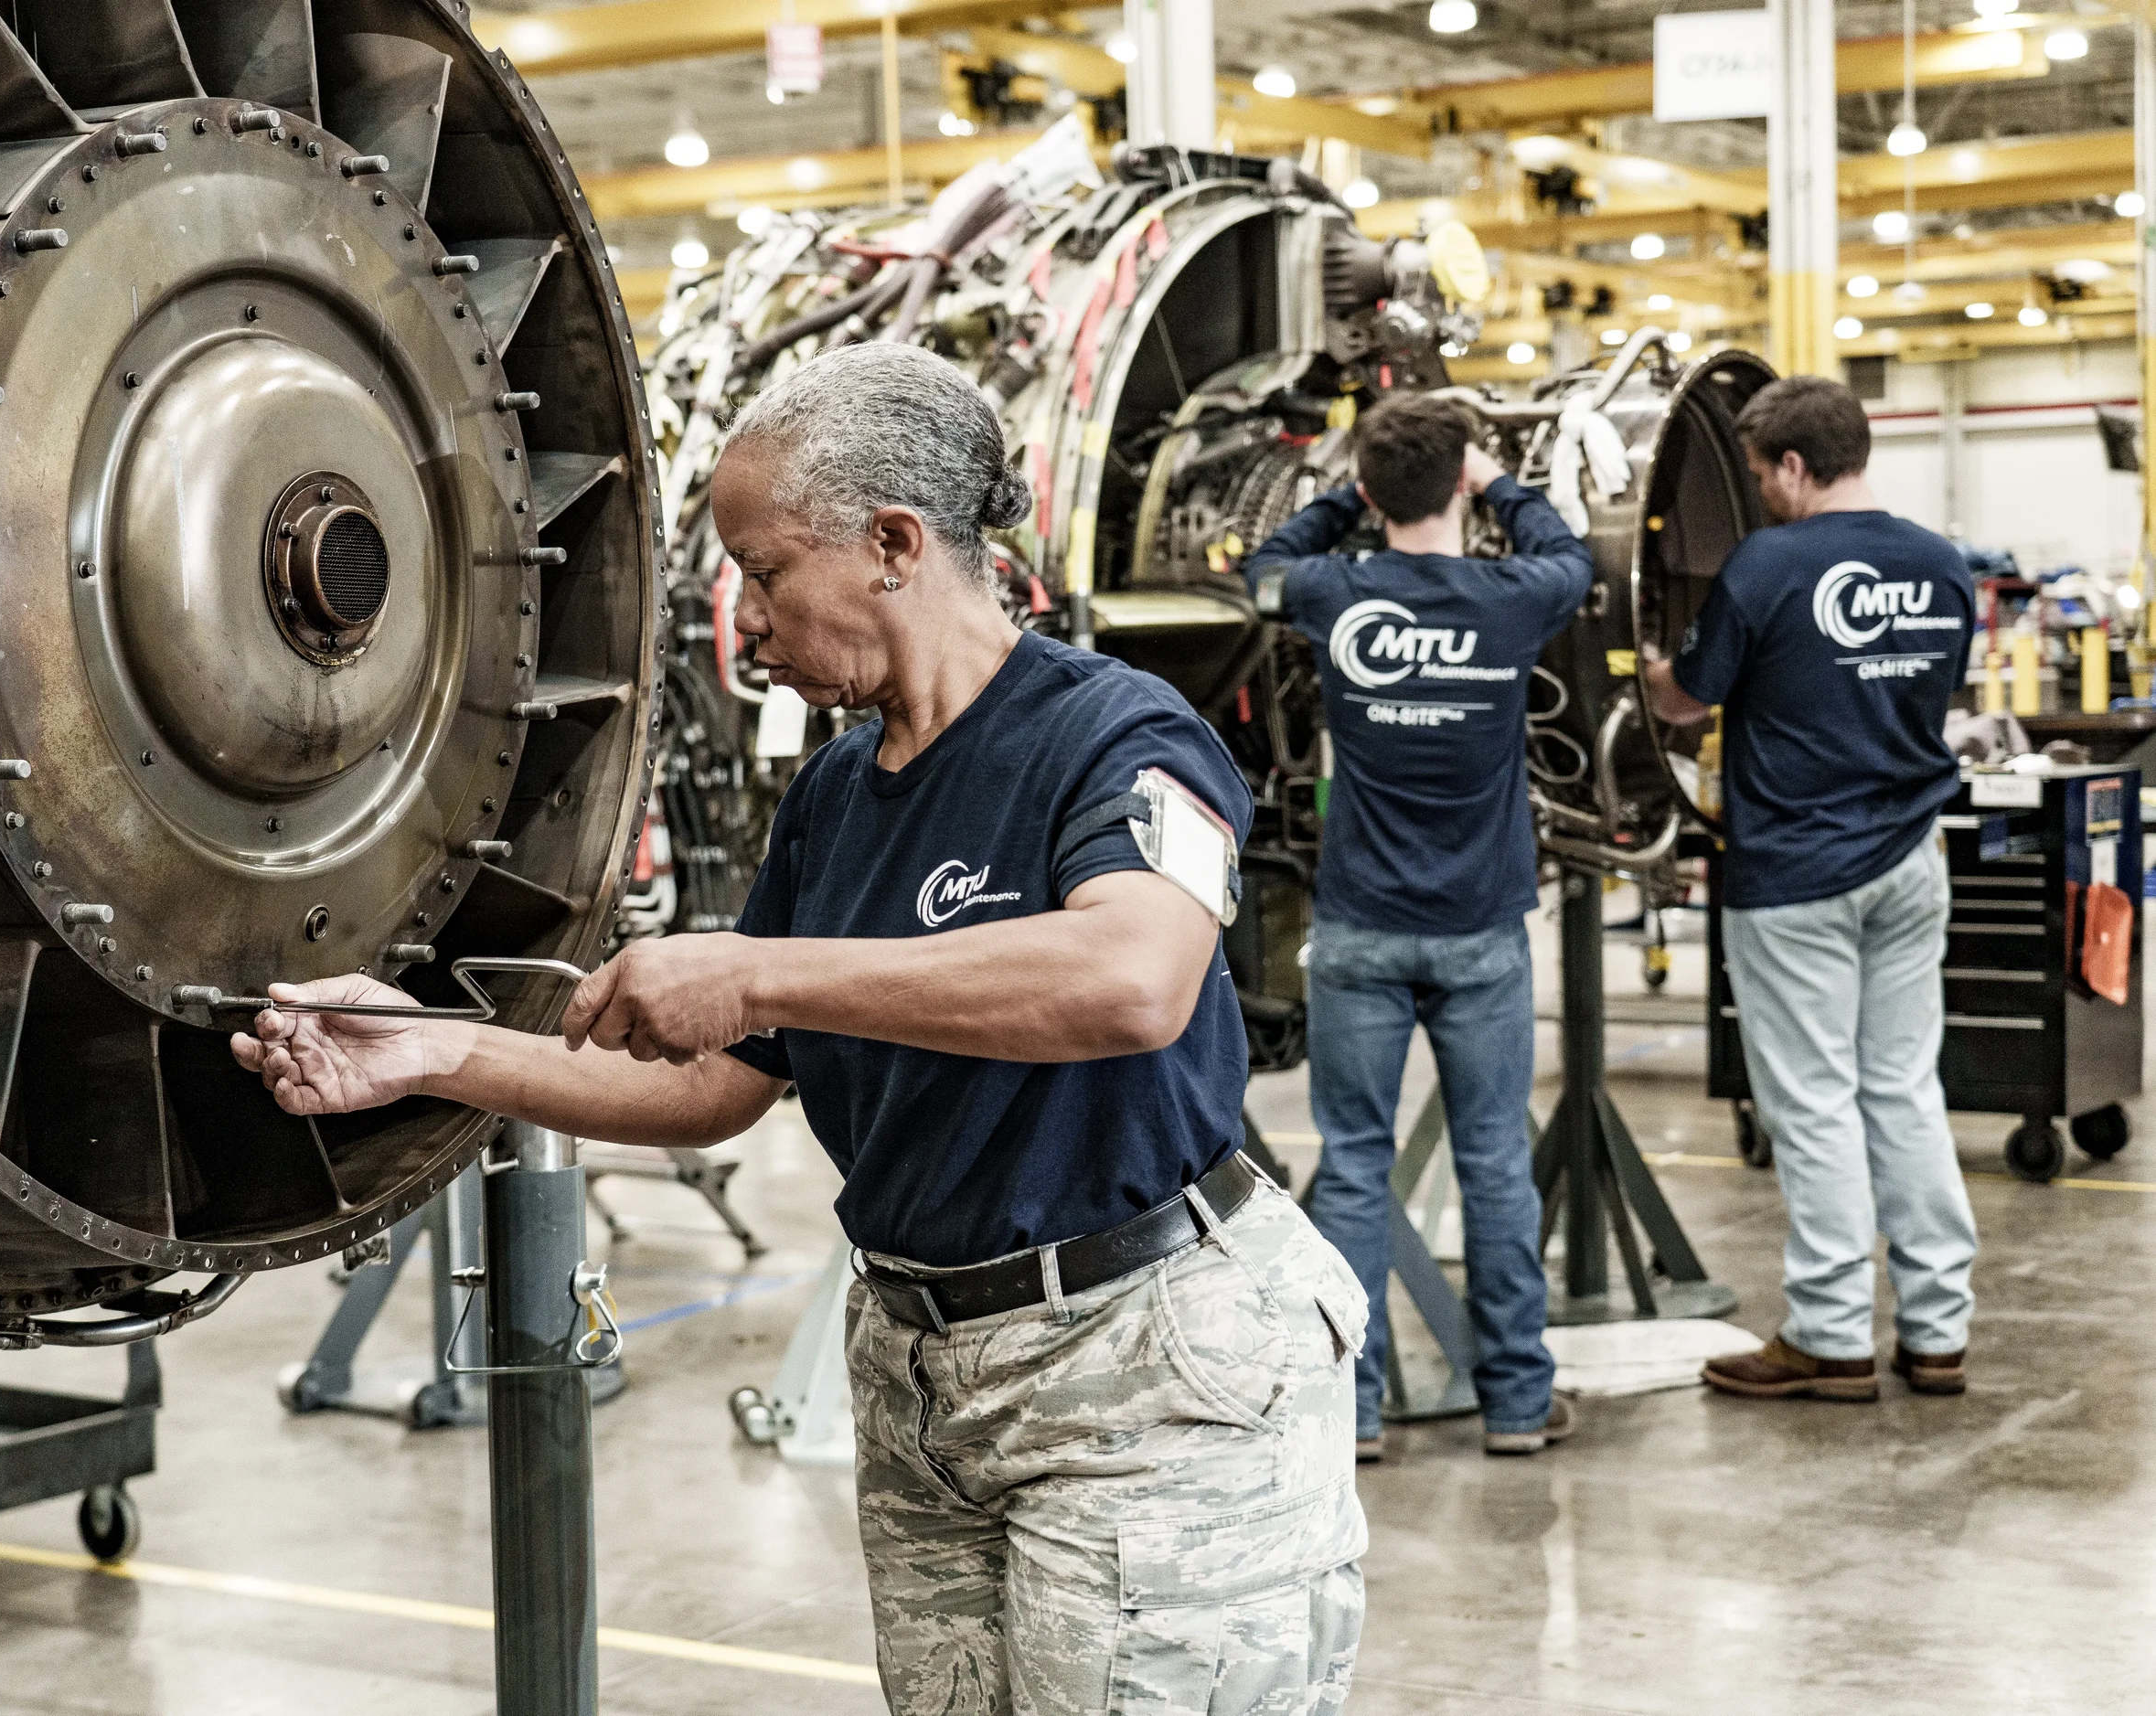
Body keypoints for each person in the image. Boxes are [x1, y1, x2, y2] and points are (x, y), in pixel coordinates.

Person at [234, 343, 1372, 1714]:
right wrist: (434, 1051)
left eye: (765, 574)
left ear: (894, 544)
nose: (747, 624)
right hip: (922, 1370)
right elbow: (723, 1082)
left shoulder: (1116, 734)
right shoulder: (835, 797)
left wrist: (766, 972)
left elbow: (1133, 977)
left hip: (1146, 1369)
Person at [1247, 393, 1594, 1460]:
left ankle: (1352, 1415)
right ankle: (1518, 1407)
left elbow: (1259, 564)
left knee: (1352, 1166)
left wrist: (1343, 499)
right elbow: (1571, 555)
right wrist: (1499, 483)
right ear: (1458, 484)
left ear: (1370, 491)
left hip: (1358, 924)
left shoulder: (1330, 590)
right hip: (1481, 927)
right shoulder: (1512, 596)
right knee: (1494, 1161)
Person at [1641, 373, 1978, 1403]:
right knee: (1904, 1090)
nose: (1758, 495)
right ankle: (1937, 1332)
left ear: (1792, 465)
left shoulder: (1768, 564)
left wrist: (1654, 670)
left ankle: (1829, 1335)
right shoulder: (1940, 562)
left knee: (1816, 1103)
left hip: (1794, 874)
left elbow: (1692, 705)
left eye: (1758, 474)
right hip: (1910, 859)